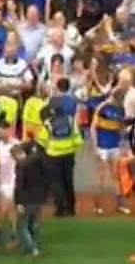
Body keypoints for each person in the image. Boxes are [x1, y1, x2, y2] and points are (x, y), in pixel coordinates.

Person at [38, 79, 83, 217]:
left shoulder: (49, 123)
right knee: (68, 181)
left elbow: (42, 140)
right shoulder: (70, 120)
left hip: (53, 155)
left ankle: (60, 209)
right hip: (68, 155)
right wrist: (72, 149)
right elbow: (78, 139)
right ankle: (71, 208)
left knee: (56, 182)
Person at [90, 86, 129, 214]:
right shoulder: (102, 108)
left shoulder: (120, 110)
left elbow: (121, 128)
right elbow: (93, 128)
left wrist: (123, 144)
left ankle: (119, 205)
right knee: (100, 178)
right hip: (102, 147)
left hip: (114, 146)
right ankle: (97, 206)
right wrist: (95, 147)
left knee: (116, 177)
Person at [12, 141, 49, 257]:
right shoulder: (39, 162)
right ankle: (35, 246)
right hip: (39, 197)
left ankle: (31, 248)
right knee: (33, 223)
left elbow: (20, 186)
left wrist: (19, 202)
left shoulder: (21, 166)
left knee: (22, 226)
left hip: (27, 199)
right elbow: (45, 179)